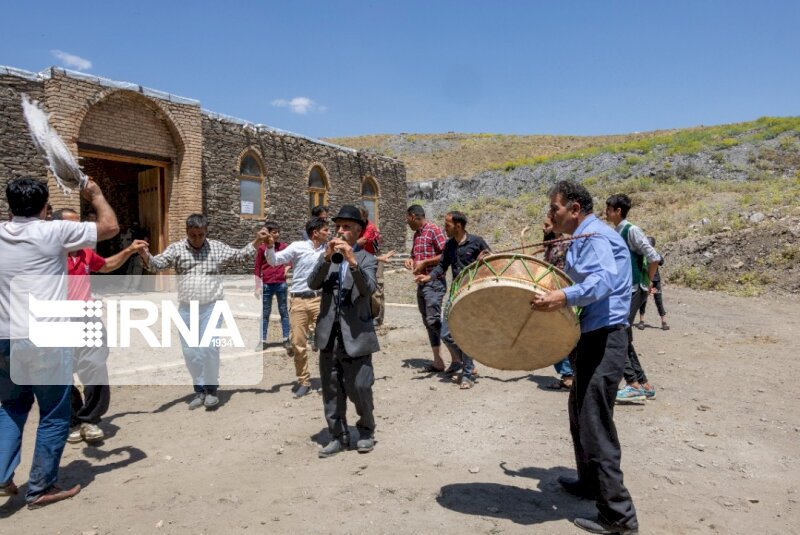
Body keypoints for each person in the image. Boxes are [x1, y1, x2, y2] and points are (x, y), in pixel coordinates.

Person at [0, 177, 118, 509]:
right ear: (44, 208)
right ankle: (40, 488)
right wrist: (95, 194)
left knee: (11, 406)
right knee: (54, 412)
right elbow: (109, 226)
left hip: (4, 338)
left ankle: (2, 476)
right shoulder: (54, 232)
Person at [532, 180, 639, 535]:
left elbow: (605, 279)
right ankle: (590, 483)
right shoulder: (583, 237)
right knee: (579, 410)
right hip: (592, 335)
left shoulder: (595, 236)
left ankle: (619, 517)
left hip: (607, 336)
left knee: (595, 421)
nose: (551, 214)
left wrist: (563, 298)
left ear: (575, 209)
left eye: (555, 208)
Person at [143, 214, 268, 410]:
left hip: (212, 306)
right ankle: (199, 390)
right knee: (190, 351)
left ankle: (211, 390)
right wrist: (144, 253)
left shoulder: (215, 247)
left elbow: (238, 255)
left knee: (209, 347)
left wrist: (257, 241)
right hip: (186, 309)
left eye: (201, 234)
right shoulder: (176, 249)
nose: (198, 239)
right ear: (187, 233)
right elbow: (156, 264)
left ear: (206, 232)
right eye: (193, 235)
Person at [51, 209, 147, 444]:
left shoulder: (84, 252)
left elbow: (105, 266)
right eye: (71, 226)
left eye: (79, 225)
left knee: (95, 366)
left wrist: (129, 250)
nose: (79, 230)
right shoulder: (48, 255)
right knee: (62, 374)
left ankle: (90, 420)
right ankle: (72, 420)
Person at [308, 205, 379, 458]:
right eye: (338, 227)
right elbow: (312, 283)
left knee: (360, 386)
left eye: (346, 227)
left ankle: (367, 430)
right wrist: (326, 259)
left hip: (357, 335)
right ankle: (338, 435)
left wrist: (352, 261)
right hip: (329, 335)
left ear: (358, 231)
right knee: (331, 389)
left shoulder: (367, 258)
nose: (340, 231)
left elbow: (368, 288)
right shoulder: (327, 257)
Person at [416, 211, 489, 389]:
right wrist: (429, 277)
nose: (444, 227)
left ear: (458, 225)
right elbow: (442, 265)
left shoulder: (477, 242)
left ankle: (467, 374)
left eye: (447, 224)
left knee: (466, 333)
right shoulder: (449, 245)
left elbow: (492, 263)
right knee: (446, 333)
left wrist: (483, 260)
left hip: (472, 294)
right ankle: (466, 363)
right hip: (456, 293)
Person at [264, 218, 329, 398]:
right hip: (298, 301)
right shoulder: (297, 246)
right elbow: (274, 260)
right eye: (325, 230)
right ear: (315, 232)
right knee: (298, 343)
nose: (328, 233)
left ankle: (329, 378)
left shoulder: (328, 249)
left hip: (319, 300)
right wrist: (270, 246)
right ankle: (303, 381)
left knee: (327, 342)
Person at [605, 194, 660, 403]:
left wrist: (647, 282)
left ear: (618, 211)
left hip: (634, 289)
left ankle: (632, 384)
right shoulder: (616, 231)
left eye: (608, 209)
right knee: (624, 335)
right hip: (624, 290)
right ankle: (643, 384)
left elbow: (653, 256)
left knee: (618, 332)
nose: (606, 212)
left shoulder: (631, 230)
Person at [405, 205, 459, 373]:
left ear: (414, 216)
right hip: (421, 283)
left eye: (407, 218)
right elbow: (416, 255)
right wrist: (411, 260)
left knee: (433, 320)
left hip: (434, 283)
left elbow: (446, 255)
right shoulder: (417, 235)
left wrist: (425, 263)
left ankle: (459, 358)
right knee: (428, 323)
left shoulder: (434, 230)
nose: (407, 222)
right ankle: (438, 361)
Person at [542, 214, 576, 391]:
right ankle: (567, 374)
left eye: (547, 225)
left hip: (561, 294)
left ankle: (569, 375)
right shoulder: (549, 246)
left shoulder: (566, 244)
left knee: (557, 334)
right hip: (551, 292)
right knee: (552, 334)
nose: (544, 228)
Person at [254, 221, 291, 352]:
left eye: (278, 232)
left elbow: (290, 260)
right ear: (268, 233)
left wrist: (287, 267)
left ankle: (286, 339)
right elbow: (257, 267)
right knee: (265, 313)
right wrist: (257, 286)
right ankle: (262, 341)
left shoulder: (283, 246)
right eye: (274, 232)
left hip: (281, 283)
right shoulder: (262, 248)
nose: (277, 234)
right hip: (267, 284)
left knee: (284, 312)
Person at [357, 206, 386, 326]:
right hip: (361, 256)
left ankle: (377, 317)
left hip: (375, 258)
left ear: (365, 216)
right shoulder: (358, 226)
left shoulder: (370, 227)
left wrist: (346, 244)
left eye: (359, 217)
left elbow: (362, 241)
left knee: (376, 288)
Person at [636, 236, 668, 331]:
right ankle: (641, 321)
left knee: (658, 300)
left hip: (655, 280)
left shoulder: (654, 253)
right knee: (643, 301)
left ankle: (663, 322)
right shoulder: (642, 255)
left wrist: (654, 252)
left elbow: (661, 261)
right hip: (645, 280)